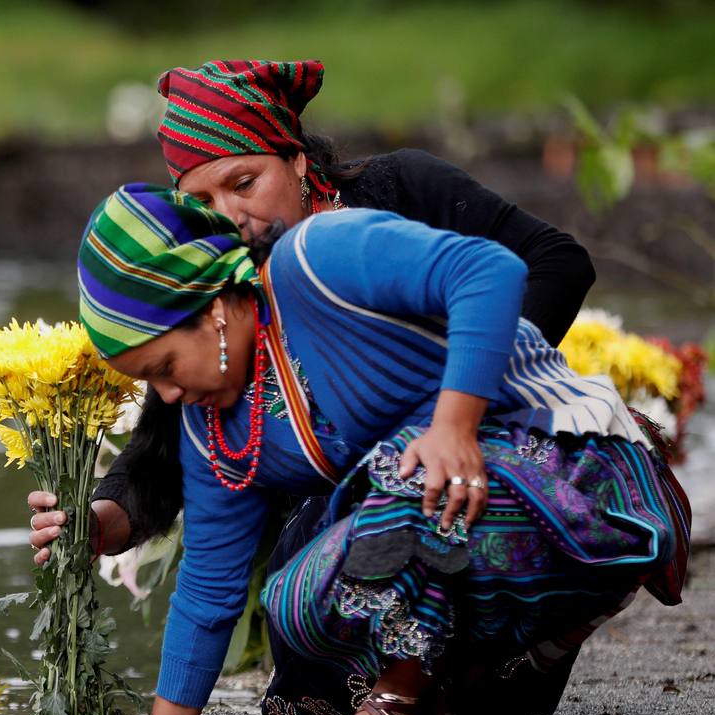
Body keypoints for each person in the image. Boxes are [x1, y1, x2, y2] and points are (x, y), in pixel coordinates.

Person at [72, 182, 688, 715]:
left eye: (165, 366)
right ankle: (456, 686)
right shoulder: (216, 428)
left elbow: (488, 270)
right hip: (444, 512)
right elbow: (209, 591)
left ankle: (404, 701)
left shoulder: (316, 257)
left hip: (575, 476)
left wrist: (453, 425)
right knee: (293, 601)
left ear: (213, 309)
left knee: (401, 473)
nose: (167, 394)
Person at [30, 59, 594, 562]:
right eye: (202, 202)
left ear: (296, 160)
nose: (230, 217)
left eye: (244, 183)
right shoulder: (213, 275)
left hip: (472, 439)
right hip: (326, 509)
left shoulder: (400, 191)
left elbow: (557, 264)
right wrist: (95, 526)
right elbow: (160, 453)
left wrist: (460, 406)